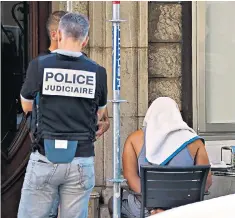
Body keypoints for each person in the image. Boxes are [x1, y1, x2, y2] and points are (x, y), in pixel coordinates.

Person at [18, 12, 108, 218]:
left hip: (45, 156)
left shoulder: (40, 65)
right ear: (85, 40)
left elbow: (26, 106)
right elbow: (99, 113)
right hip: (81, 159)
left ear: (58, 34)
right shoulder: (98, 71)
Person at [108, 97, 212, 217]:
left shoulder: (134, 139)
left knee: (113, 202)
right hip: (183, 211)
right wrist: (174, 207)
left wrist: (154, 208)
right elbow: (206, 182)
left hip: (144, 209)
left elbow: (130, 177)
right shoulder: (195, 142)